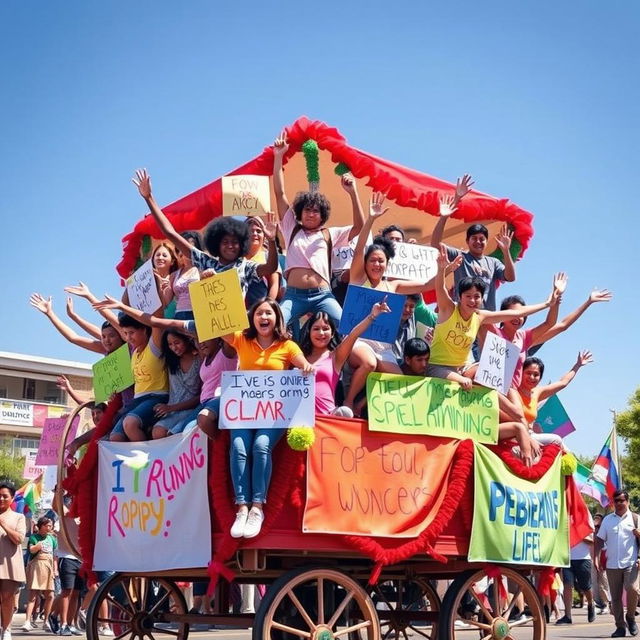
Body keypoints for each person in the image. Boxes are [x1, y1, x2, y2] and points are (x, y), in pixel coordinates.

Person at [429, 245, 554, 465]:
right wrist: (442, 270)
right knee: (467, 380)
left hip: (463, 367)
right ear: (460, 296)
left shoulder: (480, 315)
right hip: (439, 368)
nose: (473, 300)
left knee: (493, 377)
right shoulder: (448, 308)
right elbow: (440, 288)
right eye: (468, 296)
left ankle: (521, 423)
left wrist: (547, 303)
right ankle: (520, 426)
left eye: (477, 297)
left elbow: (515, 313)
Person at [216, 298, 315, 539]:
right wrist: (215, 287)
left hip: (273, 415)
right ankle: (242, 507)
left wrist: (306, 367)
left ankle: (257, 507)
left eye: (268, 313)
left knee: (261, 446)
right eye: (259, 313)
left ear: (277, 318)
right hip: (243, 413)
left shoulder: (288, 346)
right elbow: (218, 325)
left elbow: (302, 363)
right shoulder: (241, 339)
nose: (263, 317)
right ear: (252, 318)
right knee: (239, 448)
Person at [132, 169, 279, 304]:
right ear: (216, 245)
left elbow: (270, 267)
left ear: (242, 245)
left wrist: (271, 240)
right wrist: (149, 198)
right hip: (209, 330)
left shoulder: (245, 266)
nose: (230, 246)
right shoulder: (206, 261)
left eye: (235, 242)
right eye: (225, 242)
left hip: (237, 330)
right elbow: (170, 232)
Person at [272, 131, 365, 329]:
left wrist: (353, 193)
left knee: (346, 328)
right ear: (299, 212)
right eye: (307, 210)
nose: (311, 214)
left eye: (316, 211)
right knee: (274, 325)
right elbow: (279, 193)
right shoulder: (291, 228)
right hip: (293, 296)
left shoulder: (329, 234)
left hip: (323, 295)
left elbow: (359, 227)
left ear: (322, 216)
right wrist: (278, 156)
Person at [430, 175, 516, 311]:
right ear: (467, 241)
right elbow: (435, 244)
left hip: (485, 318)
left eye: (482, 239)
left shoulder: (493, 263)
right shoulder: (460, 257)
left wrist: (506, 251)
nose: (478, 242)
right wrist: (444, 217)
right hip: (462, 315)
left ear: (487, 242)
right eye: (474, 238)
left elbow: (510, 277)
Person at [299, 299, 392, 417]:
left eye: (326, 328)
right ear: (309, 332)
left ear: (332, 333)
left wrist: (372, 316)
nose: (321, 333)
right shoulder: (299, 356)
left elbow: (353, 334)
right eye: (316, 329)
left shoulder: (335, 356)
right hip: (300, 418)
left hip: (327, 418)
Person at [109, 314, 168, 442]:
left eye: (132, 332)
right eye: (125, 333)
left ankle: (148, 460)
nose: (128, 337)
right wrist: (115, 391)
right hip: (136, 401)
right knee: (115, 437)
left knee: (130, 424)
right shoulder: (134, 353)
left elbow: (156, 318)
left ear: (144, 330)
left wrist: (122, 306)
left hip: (156, 397)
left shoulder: (154, 347)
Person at [518, 352, 593, 446]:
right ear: (521, 372)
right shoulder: (512, 390)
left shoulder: (537, 392)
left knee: (563, 446)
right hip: (515, 433)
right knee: (556, 440)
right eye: (528, 373)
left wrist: (577, 365)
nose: (532, 377)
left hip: (531, 435)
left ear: (540, 378)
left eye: (536, 374)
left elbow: (562, 383)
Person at [595, 490, 640, 637]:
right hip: (612, 564)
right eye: (616, 501)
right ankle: (620, 626)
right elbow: (600, 540)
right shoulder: (608, 520)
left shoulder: (636, 519)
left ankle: (631, 617)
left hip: (631, 562)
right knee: (615, 598)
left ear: (627, 502)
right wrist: (596, 557)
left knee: (632, 589)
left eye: (622, 500)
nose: (619, 503)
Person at [29, 294, 124, 356]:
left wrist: (89, 296)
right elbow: (73, 338)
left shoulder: (129, 345)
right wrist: (50, 314)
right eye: (103, 336)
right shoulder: (105, 349)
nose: (106, 340)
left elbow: (113, 320)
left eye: (111, 336)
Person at [151, 331, 202, 439]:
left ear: (187, 339)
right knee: (158, 432)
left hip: (191, 410)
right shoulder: (170, 361)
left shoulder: (200, 360)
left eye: (177, 342)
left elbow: (201, 397)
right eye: (170, 344)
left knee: (176, 434)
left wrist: (171, 408)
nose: (174, 347)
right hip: (172, 411)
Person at [0, 482, 26, 640]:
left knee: (7, 598)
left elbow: (19, 539)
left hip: (9, 565)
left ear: (11, 498)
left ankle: (6, 629)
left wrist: (3, 525)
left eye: (5, 496)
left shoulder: (18, 517)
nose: (1, 499)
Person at [22, 517, 57, 633]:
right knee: (33, 595)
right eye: (47, 525)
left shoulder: (52, 539)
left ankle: (46, 620)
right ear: (41, 526)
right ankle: (27, 621)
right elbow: (31, 550)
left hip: (49, 567)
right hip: (37, 566)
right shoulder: (33, 537)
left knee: (50, 596)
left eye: (50, 525)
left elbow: (55, 556)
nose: (50, 528)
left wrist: (55, 570)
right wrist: (38, 546)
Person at [556, 531, 596, 625]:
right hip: (567, 559)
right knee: (567, 585)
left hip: (583, 559)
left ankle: (591, 603)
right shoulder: (564, 521)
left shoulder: (584, 520)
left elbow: (592, 541)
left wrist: (578, 535)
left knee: (585, 586)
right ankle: (567, 616)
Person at [160, 231, 202, 320]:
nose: (185, 250)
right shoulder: (174, 275)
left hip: (198, 316)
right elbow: (166, 302)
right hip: (179, 316)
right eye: (182, 247)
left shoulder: (203, 268)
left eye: (189, 247)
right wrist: (163, 289)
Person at [245, 216, 283, 305]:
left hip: (260, 309)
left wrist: (266, 305)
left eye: (258, 231)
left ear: (264, 236)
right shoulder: (237, 258)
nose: (255, 234)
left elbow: (274, 285)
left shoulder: (269, 257)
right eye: (250, 231)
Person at [592, 513, 612, 614]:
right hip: (594, 559)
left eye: (598, 519)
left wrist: (602, 561)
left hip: (604, 559)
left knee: (603, 584)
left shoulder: (605, 531)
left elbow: (605, 548)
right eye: (595, 519)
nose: (596, 521)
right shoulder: (592, 531)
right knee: (595, 585)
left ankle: (608, 604)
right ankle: (601, 604)